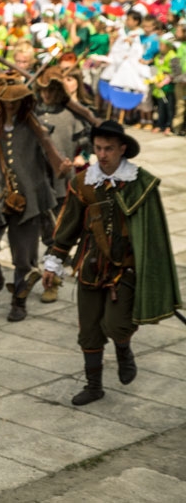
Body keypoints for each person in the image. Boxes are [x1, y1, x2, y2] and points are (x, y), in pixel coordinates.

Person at [42, 120, 181, 406]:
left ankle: (123, 349)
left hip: (125, 269)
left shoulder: (139, 183)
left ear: (122, 149)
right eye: (98, 148)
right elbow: (68, 226)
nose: (102, 154)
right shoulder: (83, 182)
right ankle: (94, 387)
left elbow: (152, 234)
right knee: (89, 331)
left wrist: (149, 272)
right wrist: (53, 261)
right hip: (90, 268)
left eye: (109, 149)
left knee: (116, 325)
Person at [0, 72, 64, 322]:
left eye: (15, 100)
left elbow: (53, 158)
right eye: (7, 100)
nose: (11, 105)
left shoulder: (37, 128)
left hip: (29, 197)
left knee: (24, 257)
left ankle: (19, 301)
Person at [35, 65, 90, 303]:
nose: (47, 95)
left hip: (61, 182)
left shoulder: (71, 115)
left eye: (52, 90)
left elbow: (87, 141)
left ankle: (53, 281)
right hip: (35, 182)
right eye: (43, 90)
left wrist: (82, 157)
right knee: (42, 231)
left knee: (58, 234)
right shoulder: (32, 113)